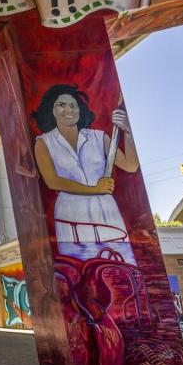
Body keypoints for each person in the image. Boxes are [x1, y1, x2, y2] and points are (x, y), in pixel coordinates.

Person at [32, 84, 139, 263]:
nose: (68, 109)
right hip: (71, 217)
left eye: (73, 105)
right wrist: (95, 189)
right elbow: (53, 181)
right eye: (62, 105)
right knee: (81, 274)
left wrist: (127, 130)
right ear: (52, 110)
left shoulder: (98, 137)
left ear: (80, 110)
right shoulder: (44, 143)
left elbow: (131, 165)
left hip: (107, 214)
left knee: (121, 268)